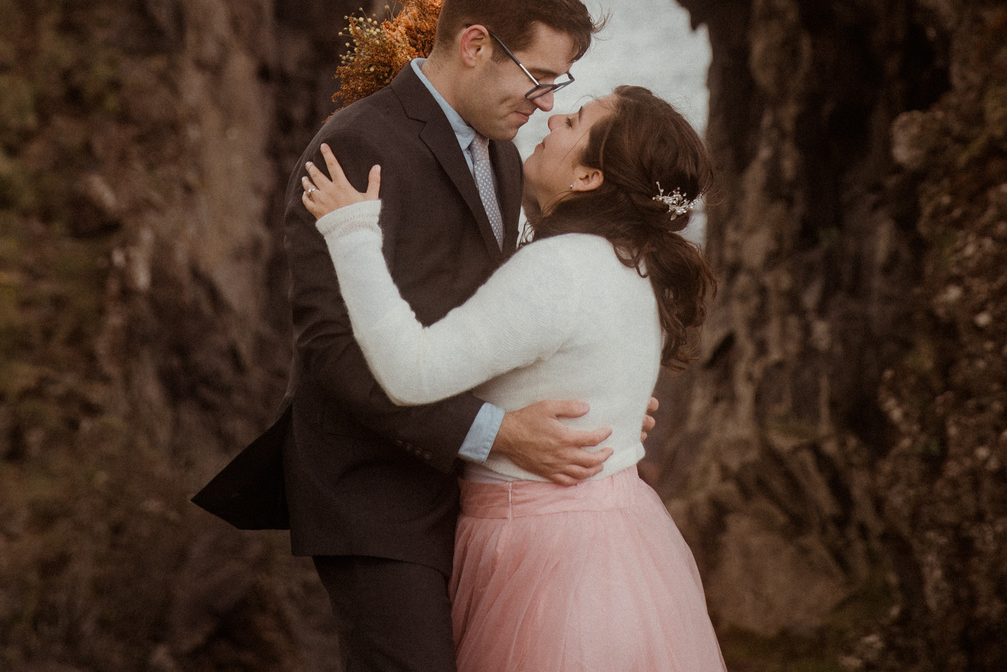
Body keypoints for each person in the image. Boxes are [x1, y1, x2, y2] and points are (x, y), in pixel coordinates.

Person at [194, 0, 629, 672]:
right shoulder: (355, 144)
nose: (547, 104)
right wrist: (497, 434)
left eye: (559, 85)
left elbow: (496, 318)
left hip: (465, 488)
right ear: (475, 45)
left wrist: (601, 397)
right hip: (372, 490)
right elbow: (334, 350)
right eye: (538, 78)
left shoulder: (500, 151)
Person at [300, 83, 726, 672]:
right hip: (616, 538)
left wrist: (352, 233)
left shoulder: (559, 269)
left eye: (574, 121)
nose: (552, 120)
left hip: (539, 553)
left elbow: (411, 372)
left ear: (589, 177)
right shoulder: (637, 261)